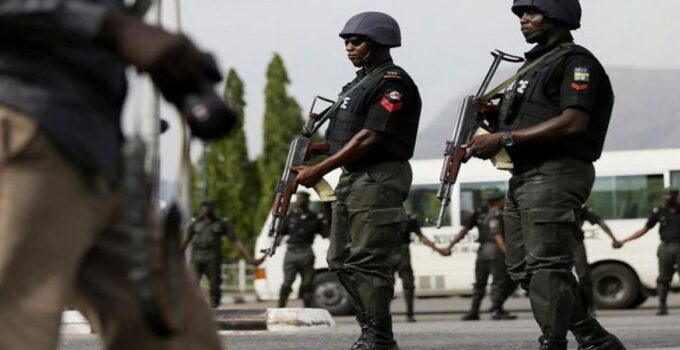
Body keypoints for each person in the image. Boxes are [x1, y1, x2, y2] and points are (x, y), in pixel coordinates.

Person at [0, 1, 229, 349]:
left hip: (98, 151)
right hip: (24, 128)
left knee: (178, 333)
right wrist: (114, 28)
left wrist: (168, 60)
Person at [465, 0, 626, 348]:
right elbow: (526, 120)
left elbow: (574, 122)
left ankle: (553, 342)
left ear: (558, 16)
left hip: (556, 173)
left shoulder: (576, 63)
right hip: (524, 176)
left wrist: (503, 137)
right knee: (522, 268)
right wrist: (490, 125)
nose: (523, 19)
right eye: (520, 14)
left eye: (531, 12)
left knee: (548, 268)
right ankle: (592, 336)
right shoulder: (532, 68)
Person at [293, 11, 421, 350]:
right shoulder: (359, 83)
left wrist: (320, 170)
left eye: (356, 41)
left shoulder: (391, 82)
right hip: (354, 178)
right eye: (346, 41)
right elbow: (347, 138)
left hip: (379, 176)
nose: (348, 47)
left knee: (368, 260)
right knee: (339, 258)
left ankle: (378, 336)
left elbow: (369, 138)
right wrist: (317, 149)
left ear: (379, 43)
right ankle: (371, 327)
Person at [445, 188, 518, 321]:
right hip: (496, 251)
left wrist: (450, 246)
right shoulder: (499, 213)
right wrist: (508, 253)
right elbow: (497, 236)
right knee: (500, 281)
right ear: (499, 201)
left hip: (482, 252)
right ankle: (496, 309)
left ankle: (474, 311)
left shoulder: (479, 212)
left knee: (480, 283)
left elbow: (464, 230)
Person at [182, 200, 259, 308]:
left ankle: (215, 311)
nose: (205, 210)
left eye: (208, 207)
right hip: (197, 256)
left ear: (213, 209)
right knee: (191, 284)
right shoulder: (195, 223)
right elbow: (185, 241)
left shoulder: (221, 223)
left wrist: (250, 259)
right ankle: (190, 311)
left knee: (215, 286)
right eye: (203, 207)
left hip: (213, 256)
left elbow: (236, 241)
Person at [619, 187, 680, 316]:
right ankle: (662, 306)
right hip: (666, 248)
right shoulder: (660, 212)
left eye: (669, 194)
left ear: (676, 195)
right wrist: (625, 240)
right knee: (663, 278)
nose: (667, 197)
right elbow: (644, 229)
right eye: (665, 194)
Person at [391, 214, 448, 322]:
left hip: (395, 253)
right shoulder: (407, 218)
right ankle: (407, 315)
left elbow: (421, 237)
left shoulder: (396, 217)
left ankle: (406, 314)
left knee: (404, 285)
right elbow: (421, 237)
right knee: (396, 286)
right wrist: (438, 249)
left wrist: (437, 249)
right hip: (397, 253)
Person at [277, 191, 328, 308]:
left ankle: (308, 309)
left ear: (307, 201)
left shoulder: (314, 217)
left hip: (306, 251)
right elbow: (281, 233)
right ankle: (280, 308)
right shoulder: (290, 216)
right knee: (287, 283)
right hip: (291, 252)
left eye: (302, 198)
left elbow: (325, 234)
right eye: (298, 198)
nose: (300, 200)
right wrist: (274, 244)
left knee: (307, 284)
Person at [574, 205, 622, 314]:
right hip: (557, 243)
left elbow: (600, 222)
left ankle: (589, 307)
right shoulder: (556, 204)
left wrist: (613, 239)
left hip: (575, 243)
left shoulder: (579, 207)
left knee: (584, 276)